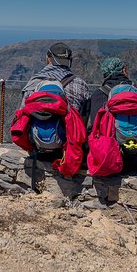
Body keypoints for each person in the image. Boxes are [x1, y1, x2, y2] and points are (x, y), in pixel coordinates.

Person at [11, 43, 91, 179]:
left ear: (48, 59)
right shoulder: (80, 84)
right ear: (70, 61)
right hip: (67, 150)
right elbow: (83, 122)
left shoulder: (33, 83)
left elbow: (22, 117)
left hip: (37, 148)